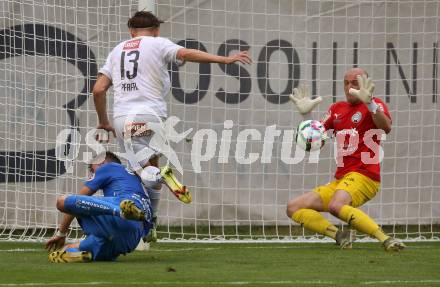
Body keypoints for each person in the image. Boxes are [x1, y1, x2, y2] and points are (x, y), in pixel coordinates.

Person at [92, 11, 252, 242]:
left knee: (142, 172)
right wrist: (224, 60)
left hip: (124, 120)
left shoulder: (117, 50)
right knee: (150, 165)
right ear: (156, 29)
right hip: (152, 118)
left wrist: (104, 121)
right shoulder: (158, 43)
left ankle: (159, 181)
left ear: (131, 31)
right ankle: (151, 223)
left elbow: (98, 90)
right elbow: (186, 53)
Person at [286, 67, 405, 251]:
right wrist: (306, 117)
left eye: (355, 83)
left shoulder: (374, 105)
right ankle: (339, 235)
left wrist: (371, 103)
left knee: (336, 205)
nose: (349, 87)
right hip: (341, 179)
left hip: (365, 176)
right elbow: (313, 143)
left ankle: (386, 239)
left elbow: (386, 126)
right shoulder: (336, 109)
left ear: (364, 84)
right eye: (346, 82)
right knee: (293, 207)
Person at [45, 152, 153, 262]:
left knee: (62, 202)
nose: (92, 174)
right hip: (130, 240)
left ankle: (120, 211)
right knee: (67, 249)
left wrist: (62, 233)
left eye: (92, 170)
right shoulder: (135, 180)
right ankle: (80, 254)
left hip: (120, 212)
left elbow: (79, 198)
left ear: (101, 162)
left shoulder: (109, 167)